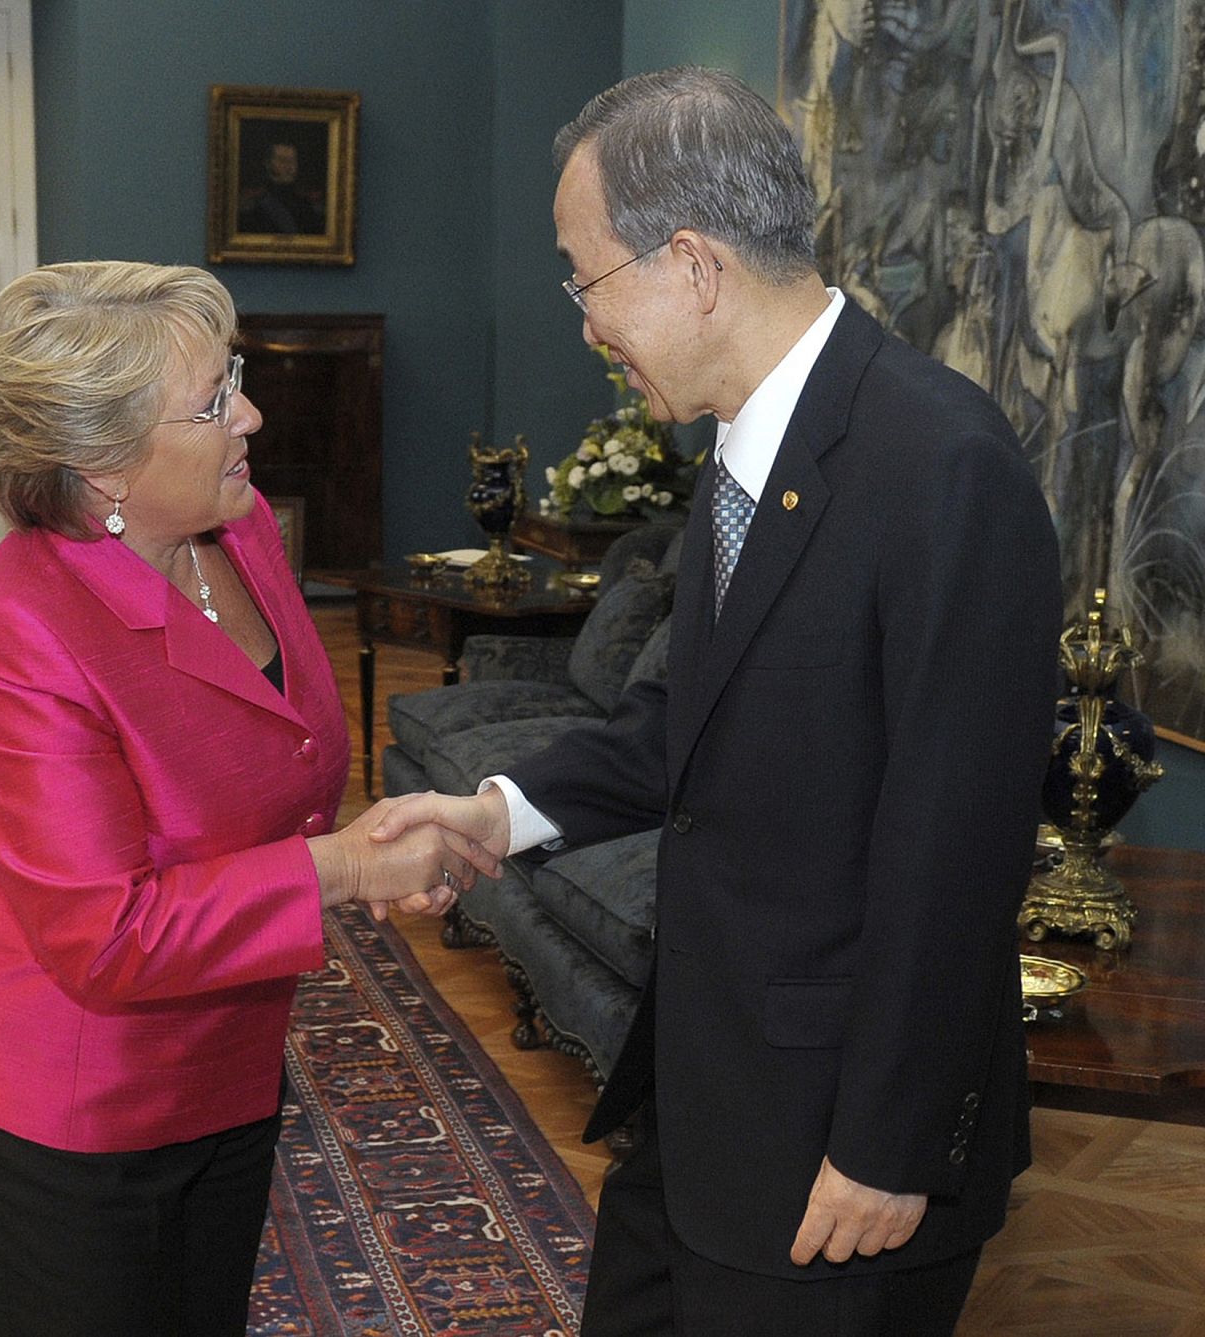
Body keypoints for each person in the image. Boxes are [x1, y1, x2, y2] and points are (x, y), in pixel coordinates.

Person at [372, 67, 1062, 1335]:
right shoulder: (753, 446)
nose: (586, 324)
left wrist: (886, 1144)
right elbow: (683, 721)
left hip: (841, 1149)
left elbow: (956, 847)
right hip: (704, 1098)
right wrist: (495, 812)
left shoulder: (940, 463)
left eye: (584, 278)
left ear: (690, 265)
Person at [0, 261, 481, 1337]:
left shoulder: (240, 533)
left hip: (227, 1059)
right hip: (64, 1102)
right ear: (102, 464)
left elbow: (279, 760)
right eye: (213, 403)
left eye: (234, 379)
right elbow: (106, 933)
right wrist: (348, 867)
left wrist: (383, 843)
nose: (249, 415)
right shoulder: (17, 636)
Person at [236, 139, 326, 235]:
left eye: (293, 161)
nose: (289, 167)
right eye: (282, 160)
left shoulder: (308, 201)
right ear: (267, 164)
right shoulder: (252, 201)